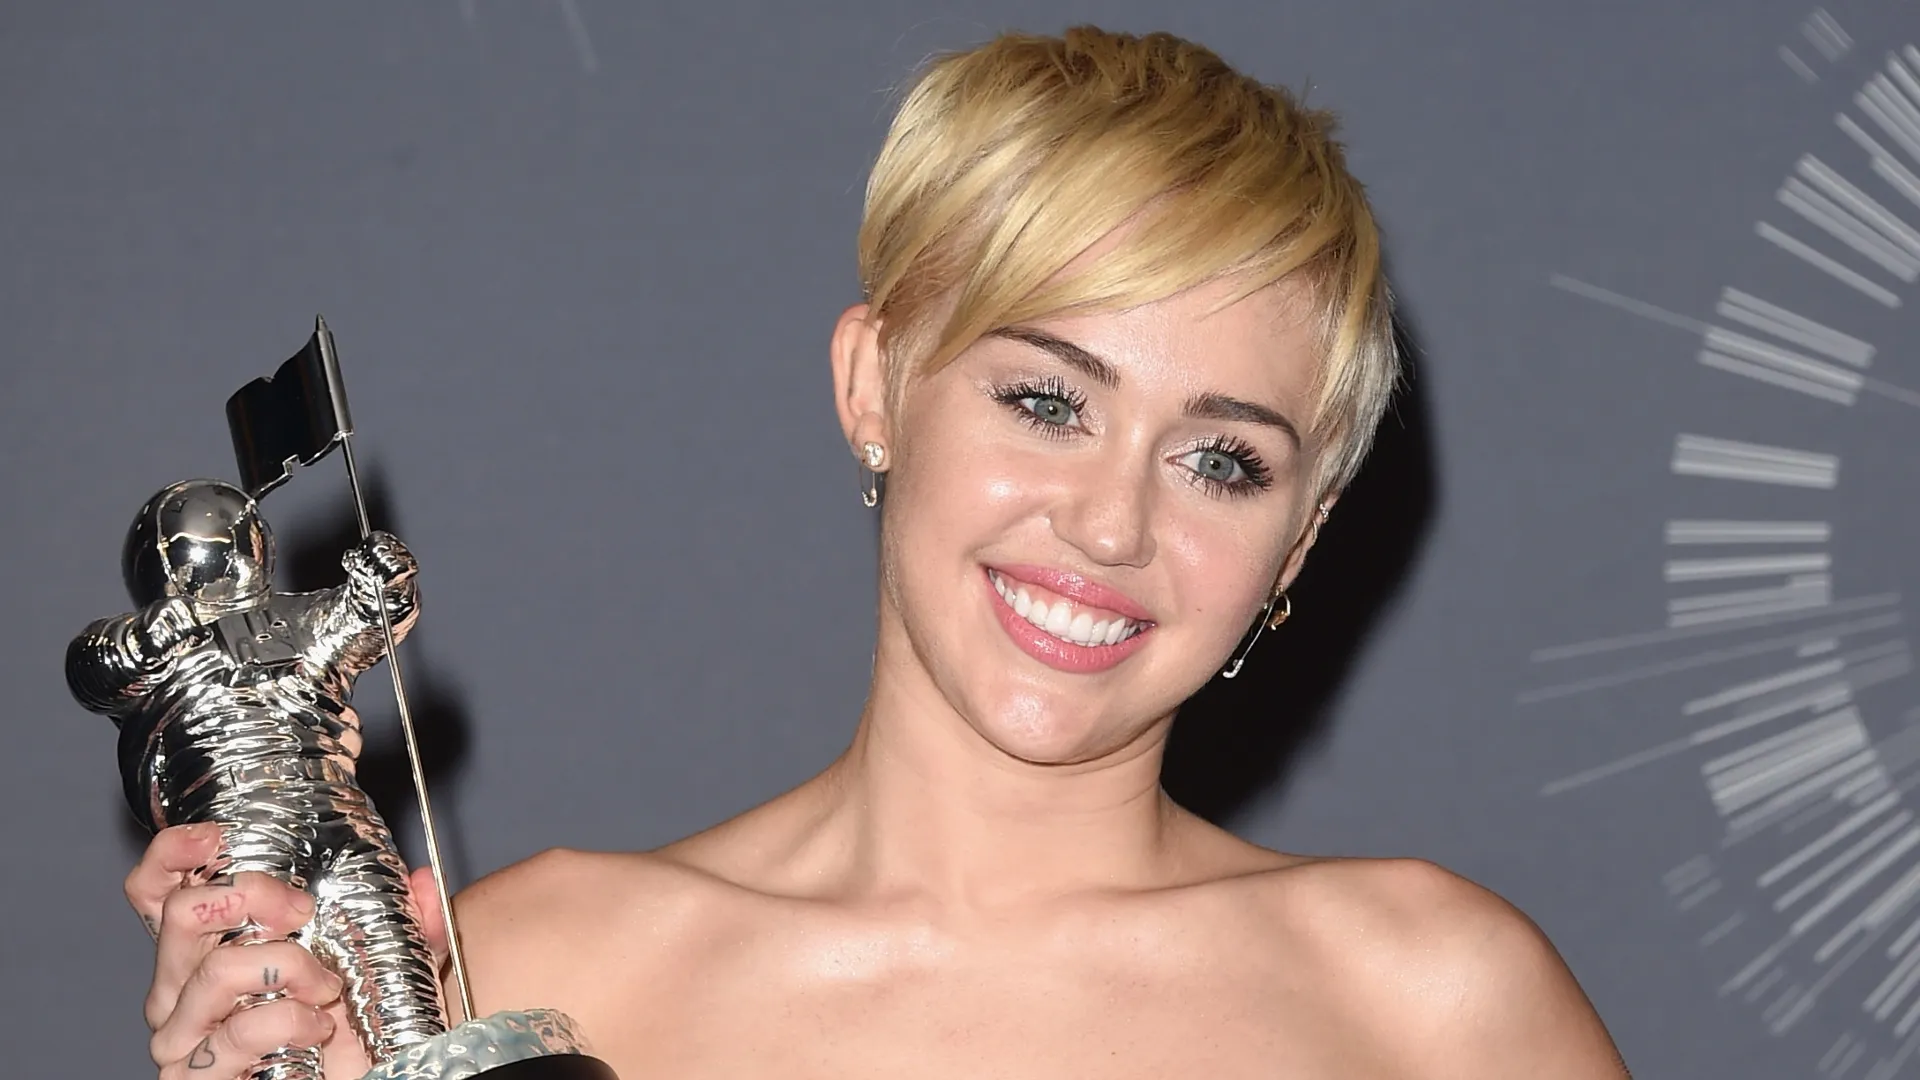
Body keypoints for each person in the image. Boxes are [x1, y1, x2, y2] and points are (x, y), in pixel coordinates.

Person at [125, 26, 1630, 1079]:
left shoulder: (1435, 1006)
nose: (1113, 525)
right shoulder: (528, 972)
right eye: (1049, 401)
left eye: (1222, 461)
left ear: (1297, 543)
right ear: (876, 387)